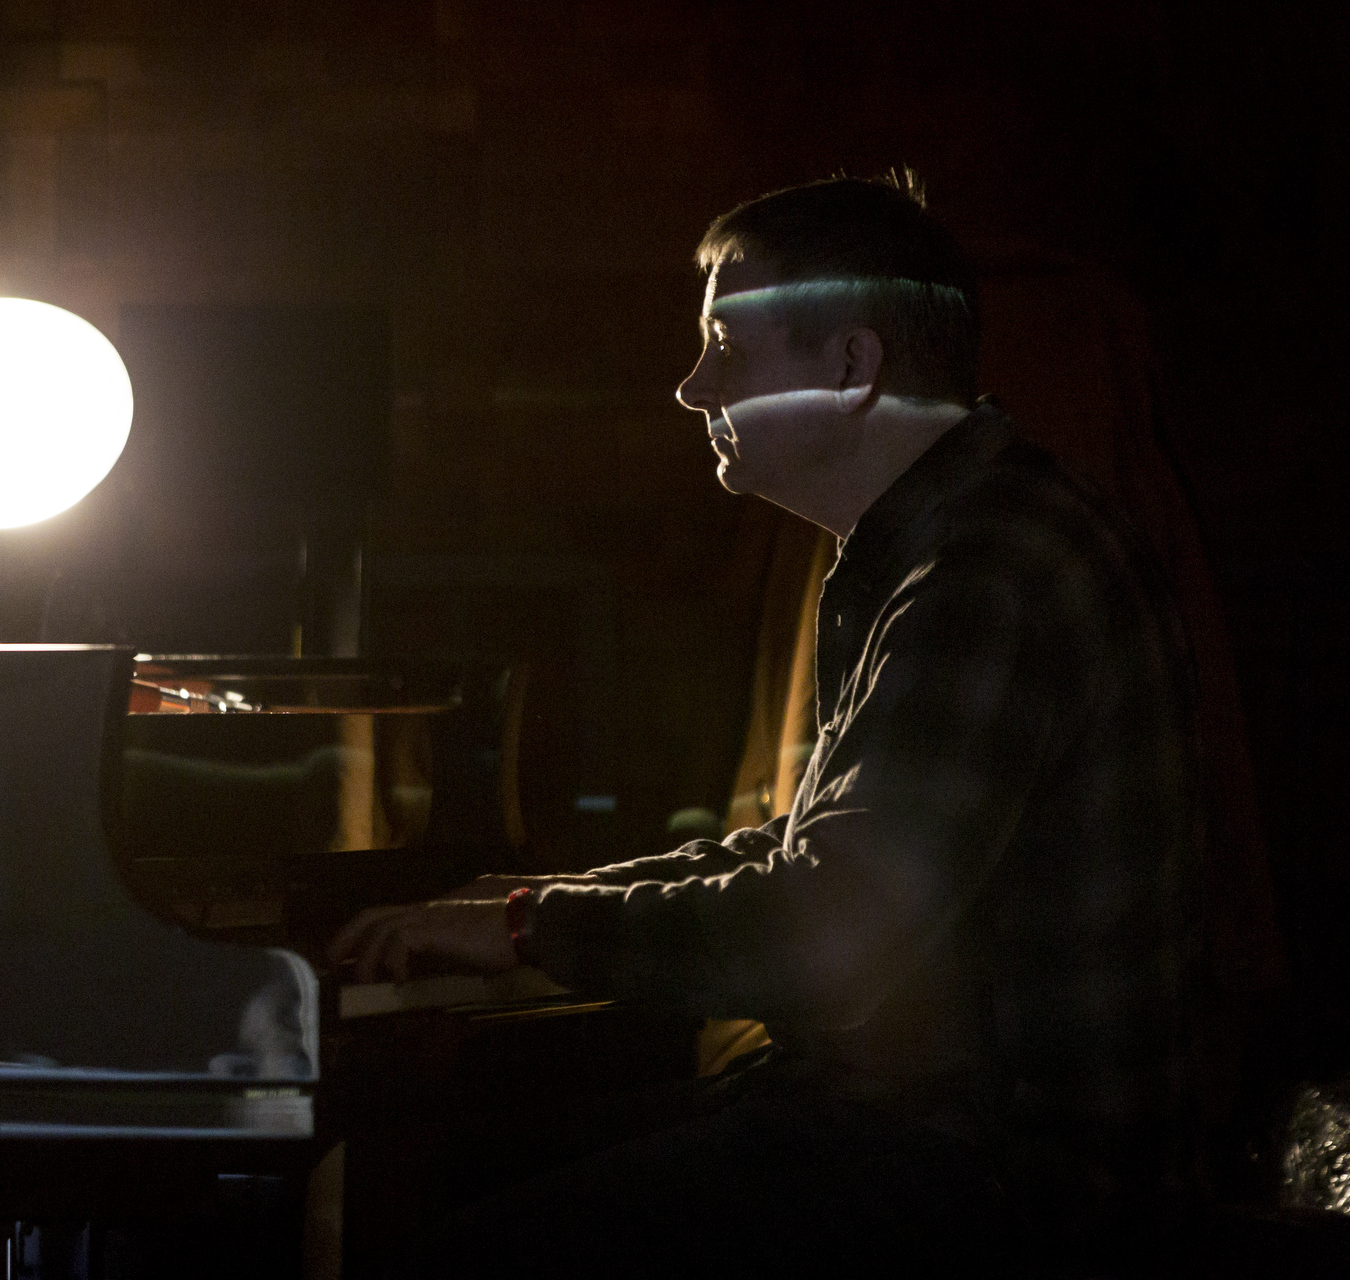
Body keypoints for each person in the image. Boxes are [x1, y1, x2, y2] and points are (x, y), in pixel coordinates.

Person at [332, 172, 1198, 1274]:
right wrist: (531, 905)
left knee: (469, 1240)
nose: (692, 390)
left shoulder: (986, 573)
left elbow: (829, 931)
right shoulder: (946, 540)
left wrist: (524, 930)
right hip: (930, 1131)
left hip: (1003, 1182)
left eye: (727, 352)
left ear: (849, 368)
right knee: (462, 1164)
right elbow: (815, 853)